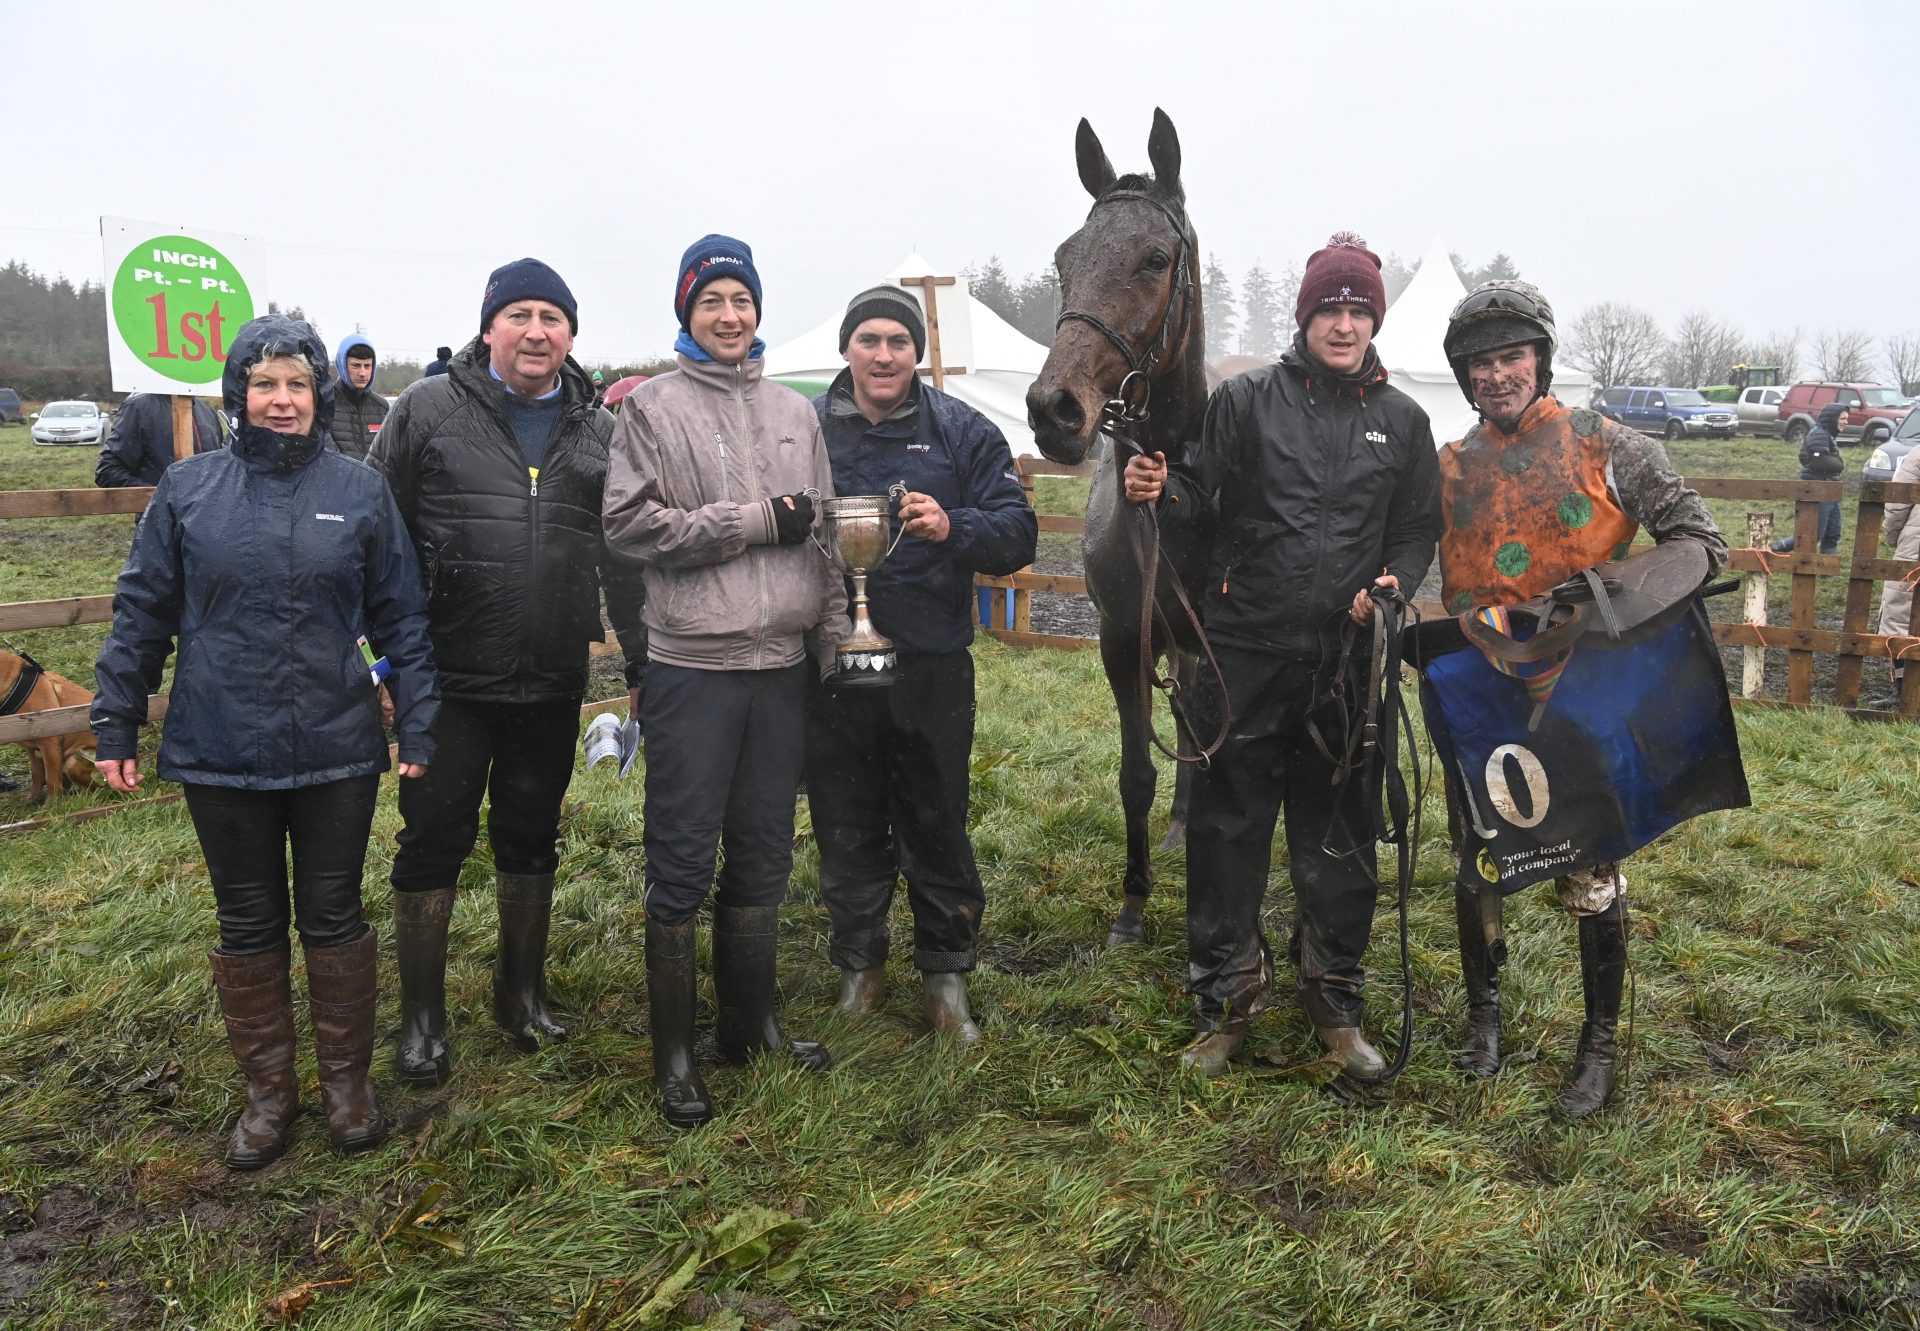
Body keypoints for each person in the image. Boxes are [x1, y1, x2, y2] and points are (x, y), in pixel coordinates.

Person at [89, 314, 438, 1168]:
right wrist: (115, 716)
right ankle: (269, 1092)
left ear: (319, 392)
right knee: (247, 921)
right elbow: (143, 609)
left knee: (333, 914)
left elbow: (402, 617)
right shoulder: (189, 490)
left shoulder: (360, 491)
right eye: (264, 384)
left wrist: (418, 713)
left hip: (337, 745)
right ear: (237, 393)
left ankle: (346, 1084)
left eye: (296, 384)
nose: (282, 401)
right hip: (221, 745)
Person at [1124, 232, 1441, 1079]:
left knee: (1340, 835)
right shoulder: (1247, 401)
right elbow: (1197, 494)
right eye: (1329, 308)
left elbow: (1416, 530)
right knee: (1226, 830)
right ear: (1305, 317)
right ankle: (1225, 1003)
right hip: (1243, 650)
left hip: (1344, 659)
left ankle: (1335, 1001)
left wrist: (1397, 580)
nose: (1343, 324)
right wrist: (1164, 488)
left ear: (1374, 320)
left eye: (1358, 309)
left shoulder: (1404, 423)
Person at [1432, 281, 1726, 1116]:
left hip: (1582, 687)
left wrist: (1596, 595)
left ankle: (1597, 1045)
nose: (1496, 376)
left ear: (1541, 357)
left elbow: (1698, 542)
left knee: (1591, 868)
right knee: (1479, 858)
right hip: (1482, 691)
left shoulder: (1607, 445)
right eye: (1479, 363)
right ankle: (1483, 1020)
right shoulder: (1451, 467)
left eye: (1511, 356)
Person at [368, 258, 647, 1088]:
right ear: (489, 327)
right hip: (445, 681)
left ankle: (520, 994)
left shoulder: (599, 432)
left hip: (550, 676)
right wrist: (382, 661)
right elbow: (376, 547)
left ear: (571, 334)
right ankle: (421, 1018)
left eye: (552, 317)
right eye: (519, 314)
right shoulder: (425, 411)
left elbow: (625, 563)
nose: (536, 331)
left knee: (531, 834)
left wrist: (636, 661)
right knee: (434, 839)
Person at [604, 234, 848, 1128]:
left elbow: (823, 537)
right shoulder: (651, 410)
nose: (730, 316)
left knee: (763, 848)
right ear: (686, 313)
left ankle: (753, 1025)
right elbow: (630, 526)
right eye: (712, 302)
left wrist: (832, 651)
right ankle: (674, 1051)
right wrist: (747, 521)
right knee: (681, 856)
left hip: (779, 670)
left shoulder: (796, 411)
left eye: (741, 300)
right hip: (692, 670)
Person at [804, 286, 1037, 1042]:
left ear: (917, 353)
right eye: (868, 339)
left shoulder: (963, 431)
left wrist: (952, 522)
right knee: (845, 818)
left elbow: (1018, 533)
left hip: (932, 663)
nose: (882, 354)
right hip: (834, 662)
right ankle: (859, 967)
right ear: (847, 349)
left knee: (937, 819)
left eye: (897, 342)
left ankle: (945, 975)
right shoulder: (804, 430)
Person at [1871, 442, 1920, 707]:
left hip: (1916, 546)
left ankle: (1903, 691)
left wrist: (1894, 537)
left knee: (1903, 615)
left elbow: (1899, 499)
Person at [95, 391, 224, 488]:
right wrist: (160, 496)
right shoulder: (139, 407)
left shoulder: (207, 412)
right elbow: (108, 471)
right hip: (159, 522)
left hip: (208, 520)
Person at [1770, 403, 1847, 555]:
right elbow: (1821, 462)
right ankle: (1774, 549)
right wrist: (1838, 463)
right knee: (1813, 533)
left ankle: (1826, 573)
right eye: (1843, 418)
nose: (1846, 422)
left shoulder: (1827, 435)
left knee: (1832, 532)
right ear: (1833, 418)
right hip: (1818, 490)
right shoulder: (1819, 434)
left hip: (1830, 489)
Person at [328, 333, 389, 461]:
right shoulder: (325, 402)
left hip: (374, 480)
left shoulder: (382, 407)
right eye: (355, 365)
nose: (362, 373)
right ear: (342, 365)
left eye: (367, 366)